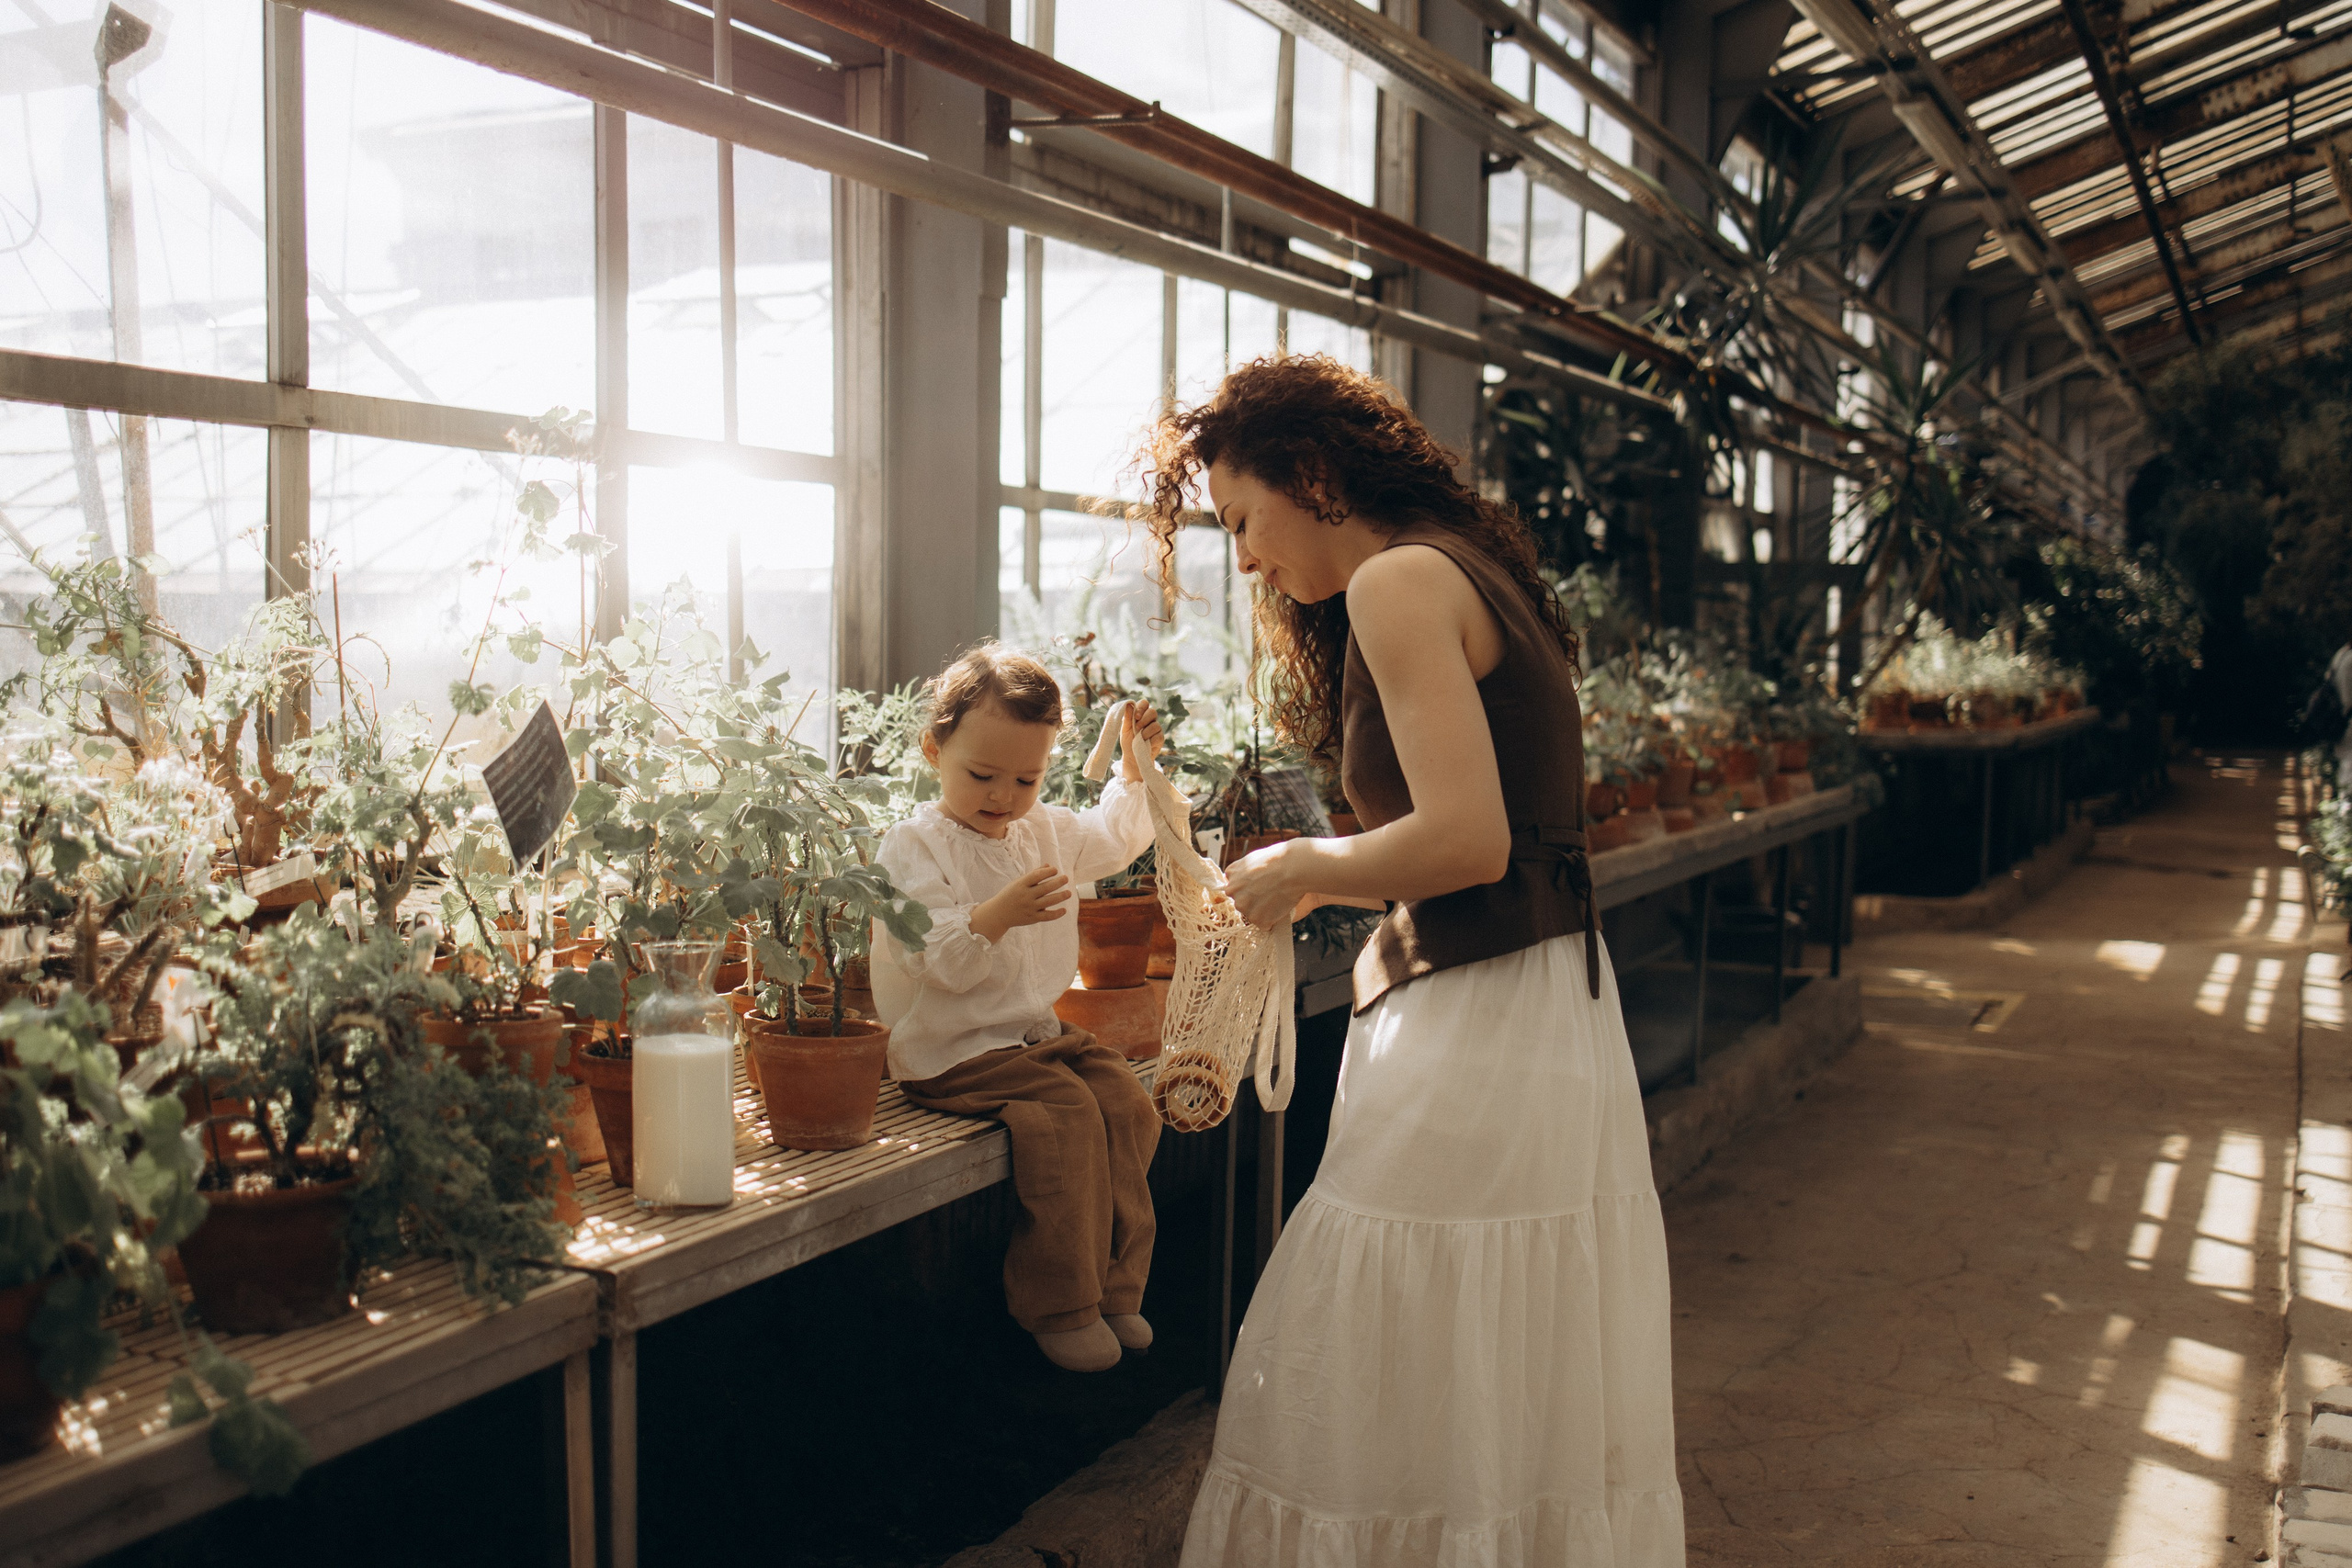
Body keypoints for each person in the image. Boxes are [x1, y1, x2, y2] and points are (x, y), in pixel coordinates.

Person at [1141, 356, 1686, 1565]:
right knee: (1486, 1353)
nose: (1242, 558)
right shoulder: (1466, 563)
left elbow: (1466, 838)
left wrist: (1298, 867)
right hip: (1538, 1000)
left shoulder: (1399, 580)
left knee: (1394, 1326)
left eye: (1243, 519)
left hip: (1483, 1014)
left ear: (1315, 475)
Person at [867, 644, 1169, 1373]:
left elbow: (1112, 839)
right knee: (1063, 1116)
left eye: (1026, 778)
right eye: (981, 774)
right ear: (934, 748)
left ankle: (1118, 1286)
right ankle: (1060, 1302)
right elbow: (929, 956)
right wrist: (995, 913)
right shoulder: (915, 845)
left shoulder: (1042, 831)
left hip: (1031, 1036)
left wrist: (1132, 776)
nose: (1004, 795)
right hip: (951, 1046)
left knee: (1128, 1102)